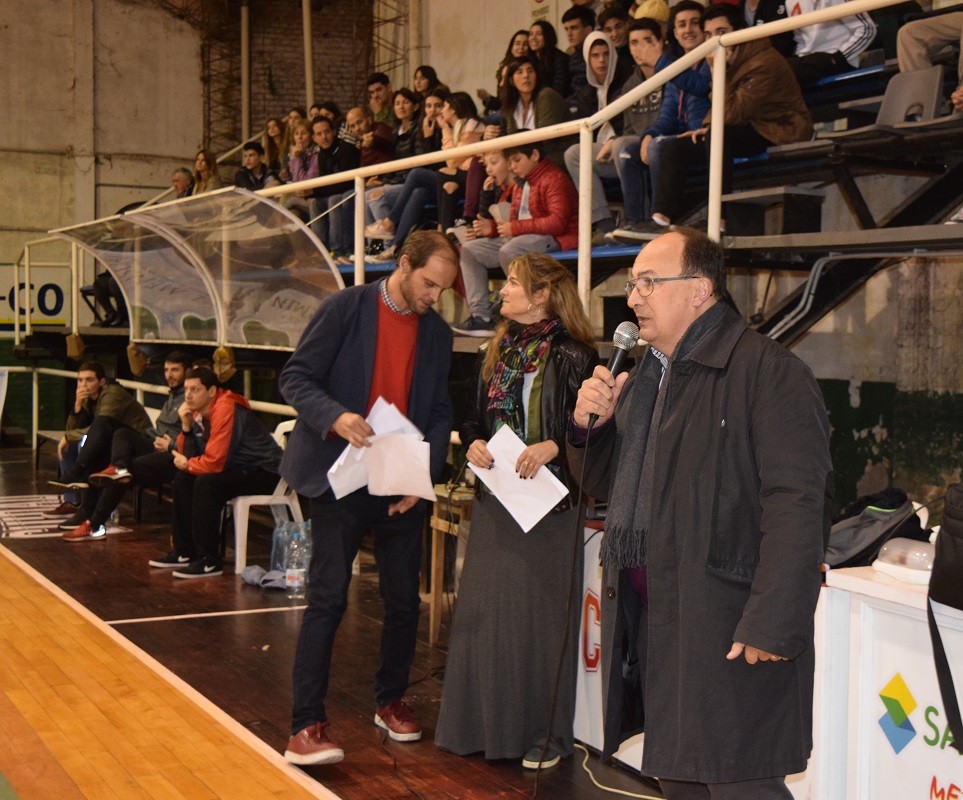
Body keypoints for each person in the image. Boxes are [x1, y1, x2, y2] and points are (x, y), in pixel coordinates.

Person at [568, 228, 833, 798]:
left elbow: (798, 504)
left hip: (730, 625)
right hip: (661, 621)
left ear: (699, 290)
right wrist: (592, 426)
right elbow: (603, 485)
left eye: (647, 283)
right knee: (683, 781)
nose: (633, 297)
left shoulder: (768, 372)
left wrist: (771, 622)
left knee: (741, 782)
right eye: (633, 284)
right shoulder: (645, 379)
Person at [279, 231, 459, 766]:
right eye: (429, 283)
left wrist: (421, 477)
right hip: (340, 474)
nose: (434, 296)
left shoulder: (439, 334)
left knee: (404, 601)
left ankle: (391, 700)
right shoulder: (344, 308)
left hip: (399, 480)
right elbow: (295, 377)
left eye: (444, 289)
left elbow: (440, 412)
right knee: (328, 598)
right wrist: (334, 415)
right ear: (403, 265)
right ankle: (305, 725)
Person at [435, 253, 597, 769]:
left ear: (544, 293)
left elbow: (595, 436)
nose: (501, 292)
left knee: (541, 627)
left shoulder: (575, 355)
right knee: (485, 622)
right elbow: (472, 417)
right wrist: (475, 443)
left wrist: (555, 447)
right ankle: (480, 727)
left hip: (550, 509)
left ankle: (545, 736)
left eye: (512, 283)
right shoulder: (496, 349)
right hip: (497, 500)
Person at [627, 4, 813, 237]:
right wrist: (706, 126)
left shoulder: (762, 60)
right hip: (747, 125)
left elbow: (733, 111)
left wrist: (716, 73)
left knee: (717, 136)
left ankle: (720, 218)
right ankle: (660, 220)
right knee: (674, 147)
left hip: (779, 128)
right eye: (709, 34)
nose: (714, 40)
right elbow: (724, 110)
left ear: (739, 31)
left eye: (721, 32)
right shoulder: (728, 58)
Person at [148, 366, 282, 578]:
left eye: (195, 390)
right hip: (238, 467)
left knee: (206, 483)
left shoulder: (225, 408)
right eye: (186, 390)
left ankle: (209, 560)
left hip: (266, 471)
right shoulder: (198, 413)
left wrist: (188, 464)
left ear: (211, 392)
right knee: (184, 477)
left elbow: (214, 463)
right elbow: (189, 455)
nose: (189, 396)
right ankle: (184, 552)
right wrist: (185, 427)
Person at [453, 140, 578, 336]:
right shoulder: (521, 184)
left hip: (557, 238)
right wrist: (492, 229)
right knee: (470, 250)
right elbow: (513, 224)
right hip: (523, 238)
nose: (512, 166)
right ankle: (482, 318)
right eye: (510, 161)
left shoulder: (554, 178)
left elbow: (558, 222)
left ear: (534, 155)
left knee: (510, 250)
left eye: (516, 160)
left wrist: (513, 227)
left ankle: (522, 314)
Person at [83, 351, 192, 534]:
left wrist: (171, 444)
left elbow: (194, 439)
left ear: (187, 371)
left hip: (174, 454)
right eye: (166, 370)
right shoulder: (172, 396)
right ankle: (117, 468)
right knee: (121, 434)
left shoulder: (190, 399)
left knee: (127, 469)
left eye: (175, 370)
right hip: (156, 444)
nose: (169, 375)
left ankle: (94, 523)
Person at [52, 361, 152, 541]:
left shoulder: (112, 394)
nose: (84, 385)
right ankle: (86, 510)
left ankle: (77, 474)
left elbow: (100, 428)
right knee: (89, 449)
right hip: (117, 445)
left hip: (138, 444)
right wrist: (77, 407)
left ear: (102, 382)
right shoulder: (90, 400)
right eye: (80, 381)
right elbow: (73, 430)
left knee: (101, 426)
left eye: (89, 380)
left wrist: (68, 437)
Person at [565, 31, 623, 238]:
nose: (601, 61)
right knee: (573, 154)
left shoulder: (627, 81)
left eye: (606, 54)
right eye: (595, 55)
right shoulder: (585, 94)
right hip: (601, 156)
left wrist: (615, 140)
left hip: (624, 147)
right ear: (587, 59)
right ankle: (602, 221)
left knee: (575, 154)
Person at [500, 55, 571, 167]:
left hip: (553, 159)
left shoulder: (546, 96)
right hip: (525, 163)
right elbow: (506, 142)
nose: (526, 76)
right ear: (511, 81)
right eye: (519, 72)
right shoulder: (510, 107)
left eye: (530, 71)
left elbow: (547, 142)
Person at [786, 0, 876, 86]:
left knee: (779, 71)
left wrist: (838, 57)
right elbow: (801, 40)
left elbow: (867, 28)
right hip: (809, 61)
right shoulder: (790, 1)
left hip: (835, 57)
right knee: (778, 69)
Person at [477, 30, 531, 114]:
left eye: (525, 44)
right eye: (517, 43)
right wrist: (487, 98)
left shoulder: (532, 68)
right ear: (511, 48)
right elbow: (500, 103)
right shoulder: (505, 68)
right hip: (505, 111)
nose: (520, 47)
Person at [562, 4, 598, 101]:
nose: (569, 34)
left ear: (588, 29)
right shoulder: (573, 55)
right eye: (566, 29)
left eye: (574, 28)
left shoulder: (597, 54)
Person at [529, 20, 571, 98]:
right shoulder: (529, 59)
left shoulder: (560, 59)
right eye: (531, 34)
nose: (533, 38)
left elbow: (558, 90)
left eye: (539, 34)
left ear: (548, 36)